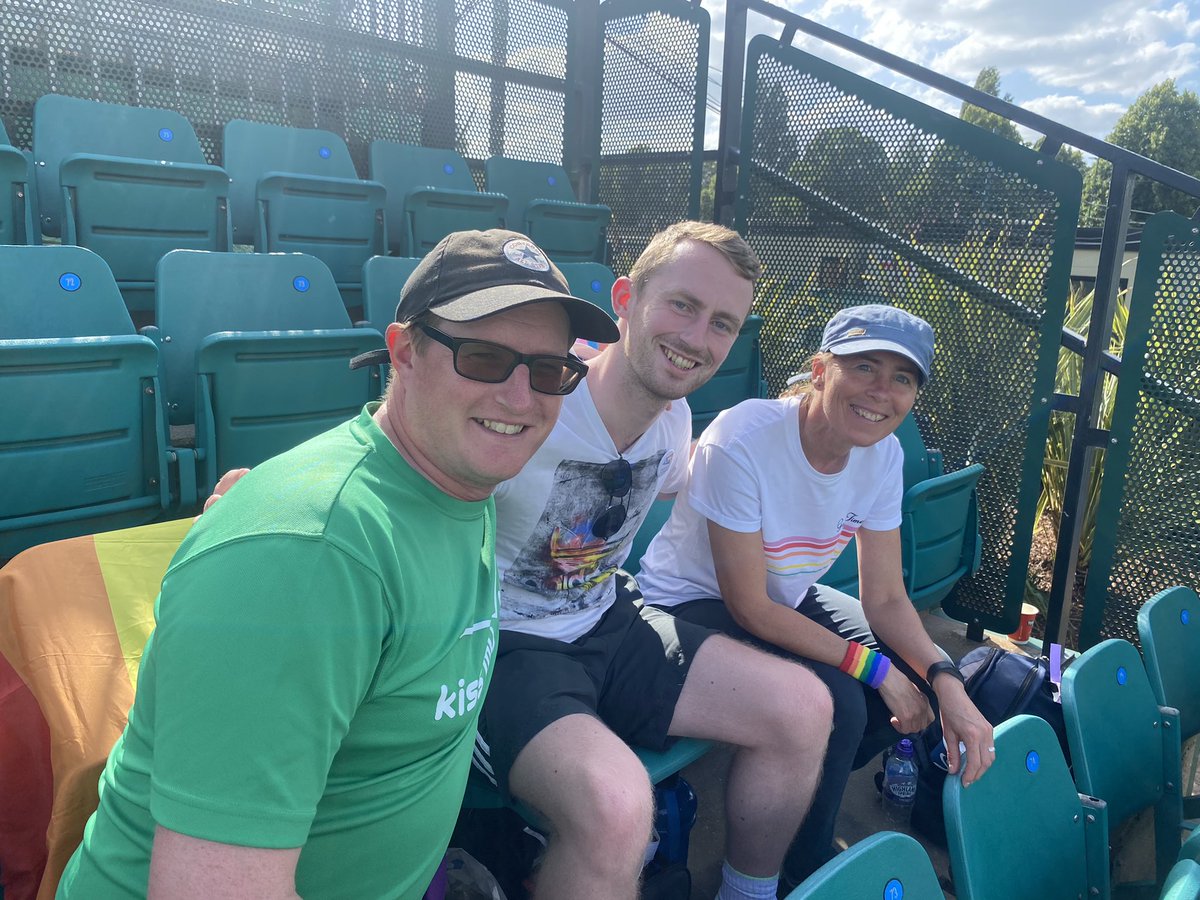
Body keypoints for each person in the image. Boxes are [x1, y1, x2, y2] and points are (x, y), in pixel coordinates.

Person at [56, 229, 620, 900]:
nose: (523, 397)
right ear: (404, 353)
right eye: (484, 358)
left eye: (550, 371)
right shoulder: (307, 559)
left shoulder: (461, 484)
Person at [474, 221, 833, 900]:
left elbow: (687, 483)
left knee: (805, 708)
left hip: (612, 619)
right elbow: (407, 444)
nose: (698, 339)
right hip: (502, 646)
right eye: (682, 305)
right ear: (625, 300)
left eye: (723, 323)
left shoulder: (674, 420)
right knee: (619, 810)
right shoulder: (535, 396)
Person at [636, 303, 996, 887]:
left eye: (902, 379)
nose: (881, 391)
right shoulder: (744, 436)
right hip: (691, 601)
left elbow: (885, 598)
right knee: (847, 699)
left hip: (785, 597)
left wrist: (945, 678)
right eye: (864, 367)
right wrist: (874, 668)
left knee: (890, 694)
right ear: (822, 369)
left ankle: (797, 809)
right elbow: (749, 605)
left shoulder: (884, 456)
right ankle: (778, 878)